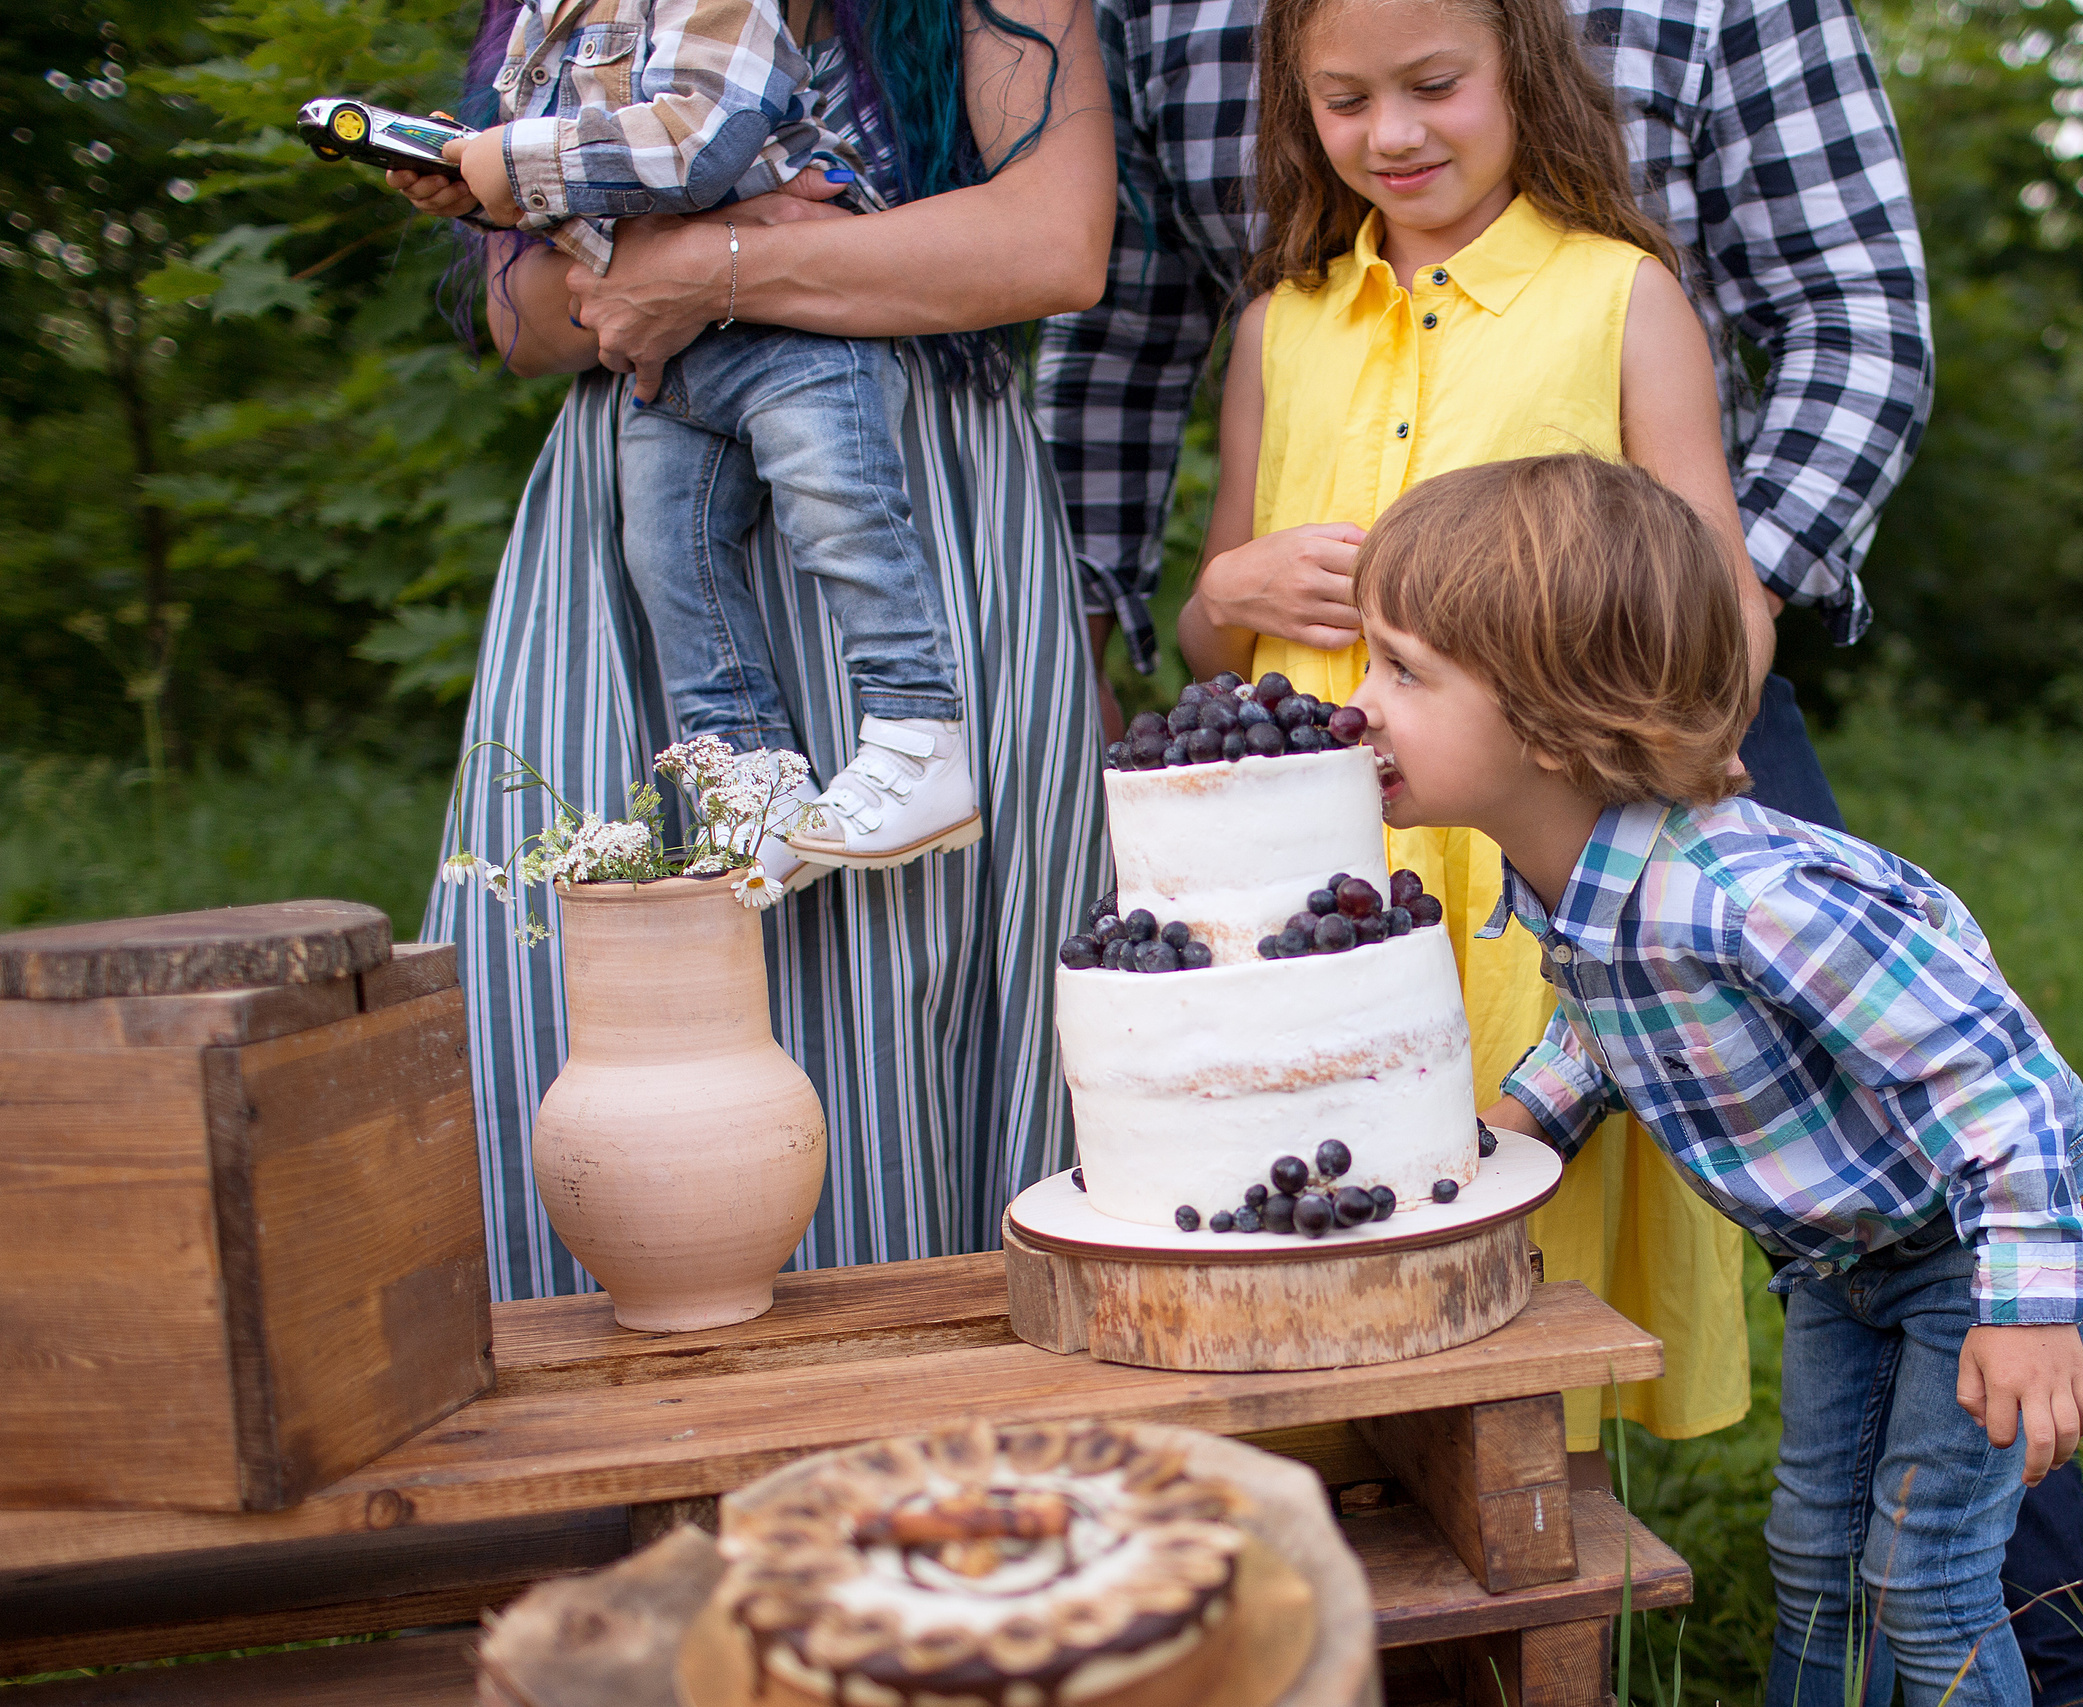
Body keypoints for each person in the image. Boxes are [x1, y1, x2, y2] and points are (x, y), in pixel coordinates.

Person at [1346, 454, 2083, 1707]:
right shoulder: (1574, 882)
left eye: (1403, 671)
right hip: (1847, 1248)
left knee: (1923, 1581)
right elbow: (1608, 1030)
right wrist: (1503, 1136)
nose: (1356, 703)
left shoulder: (1745, 898)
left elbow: (1992, 1073)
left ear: (1550, 724)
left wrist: (2024, 1305)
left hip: (1979, 1227)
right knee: (1811, 1555)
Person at [409, 0, 1116, 1292]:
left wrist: (716, 265)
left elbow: (1053, 245)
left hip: (909, 504)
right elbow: (523, 310)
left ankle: (942, 1433)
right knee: (633, 965)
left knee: (912, 960)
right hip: (646, 495)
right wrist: (717, 259)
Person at [1163, 0, 1766, 1457]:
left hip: (1517, 869)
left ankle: (1516, 1546)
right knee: (1310, 1191)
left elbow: (1719, 599)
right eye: (1347, 100)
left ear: (1521, 74)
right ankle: (1332, 1546)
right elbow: (1209, 632)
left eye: (1436, 87)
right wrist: (1227, 583)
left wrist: (1676, 758)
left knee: (1508, 1223)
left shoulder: (1617, 296)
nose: (1396, 134)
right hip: (1311, 857)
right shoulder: (1279, 324)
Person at [428, 0, 981, 885]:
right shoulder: (550, 11)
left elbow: (702, 137)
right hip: (665, 358)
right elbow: (565, 215)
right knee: (667, 557)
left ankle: (919, 739)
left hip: (795, 330)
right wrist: (477, 183)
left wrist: (519, 159)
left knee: (843, 514)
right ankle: (755, 794)